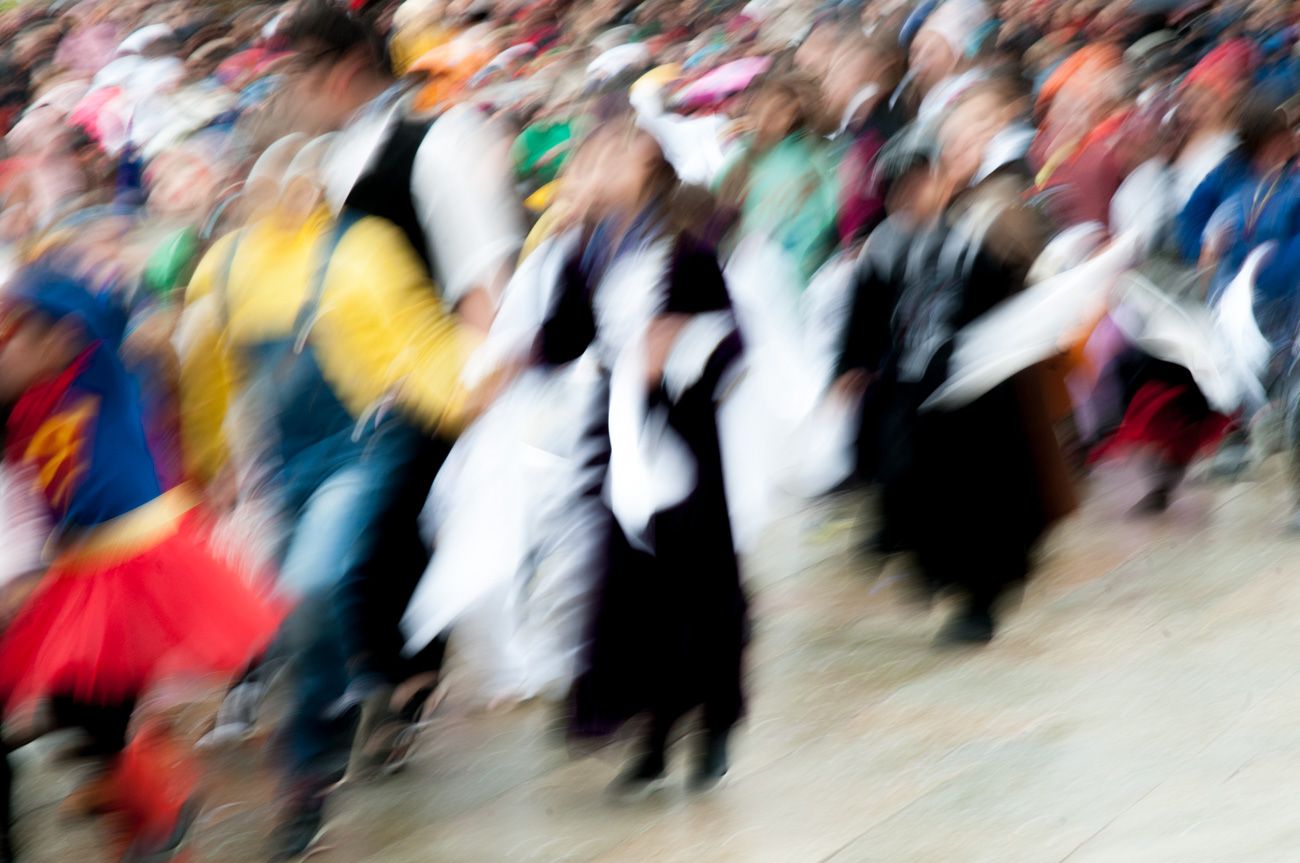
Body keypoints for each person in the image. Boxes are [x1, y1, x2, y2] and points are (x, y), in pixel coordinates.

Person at [179, 137, 482, 859]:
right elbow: (207, 368)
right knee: (286, 612)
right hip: (282, 466)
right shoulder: (223, 268)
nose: (285, 192)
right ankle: (323, 739)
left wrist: (463, 395)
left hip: (361, 449)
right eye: (268, 180)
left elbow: (421, 333)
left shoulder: (364, 247)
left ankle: (308, 762)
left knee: (311, 585)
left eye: (299, 179)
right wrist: (210, 458)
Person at [272, 0, 524, 754]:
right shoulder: (324, 157)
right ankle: (386, 678)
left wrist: (480, 385)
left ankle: (402, 684)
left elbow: (481, 275)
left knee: (392, 533)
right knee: (375, 540)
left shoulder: (440, 138)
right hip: (352, 388)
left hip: (431, 379)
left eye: (301, 75)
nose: (290, 94)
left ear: (343, 71)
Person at [0, 255, 282, 861]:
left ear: (57, 336)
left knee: (89, 696)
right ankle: (144, 811)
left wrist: (30, 284)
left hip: (142, 557)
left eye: (11, 335)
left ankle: (157, 809)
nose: (3, 352)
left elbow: (102, 306)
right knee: (79, 702)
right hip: (78, 568)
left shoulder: (93, 367)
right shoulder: (17, 408)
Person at [539, 123, 747, 796]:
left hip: (683, 438)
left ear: (651, 164)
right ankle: (652, 731)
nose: (598, 165)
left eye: (616, 152)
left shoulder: (684, 248)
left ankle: (711, 722)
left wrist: (679, 344)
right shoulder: (581, 251)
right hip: (616, 434)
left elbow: (732, 341)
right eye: (590, 155)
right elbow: (563, 341)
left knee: (695, 582)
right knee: (631, 585)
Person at [841, 74, 1074, 644]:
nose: (912, 197)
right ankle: (934, 569)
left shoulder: (975, 239)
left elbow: (1010, 308)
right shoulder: (887, 248)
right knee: (910, 486)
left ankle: (978, 601)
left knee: (980, 505)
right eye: (900, 188)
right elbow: (866, 316)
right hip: (912, 390)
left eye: (922, 183)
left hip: (974, 399)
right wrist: (852, 366)